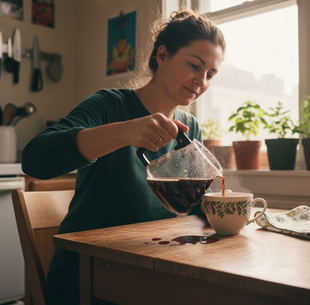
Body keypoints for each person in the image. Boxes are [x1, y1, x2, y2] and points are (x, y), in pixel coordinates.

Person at [21, 9, 226, 304]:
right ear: (163, 56)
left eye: (211, 74)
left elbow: (190, 210)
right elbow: (35, 159)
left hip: (151, 267)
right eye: (195, 65)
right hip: (85, 274)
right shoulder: (110, 106)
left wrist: (225, 210)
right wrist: (125, 132)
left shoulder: (190, 128)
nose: (202, 81)